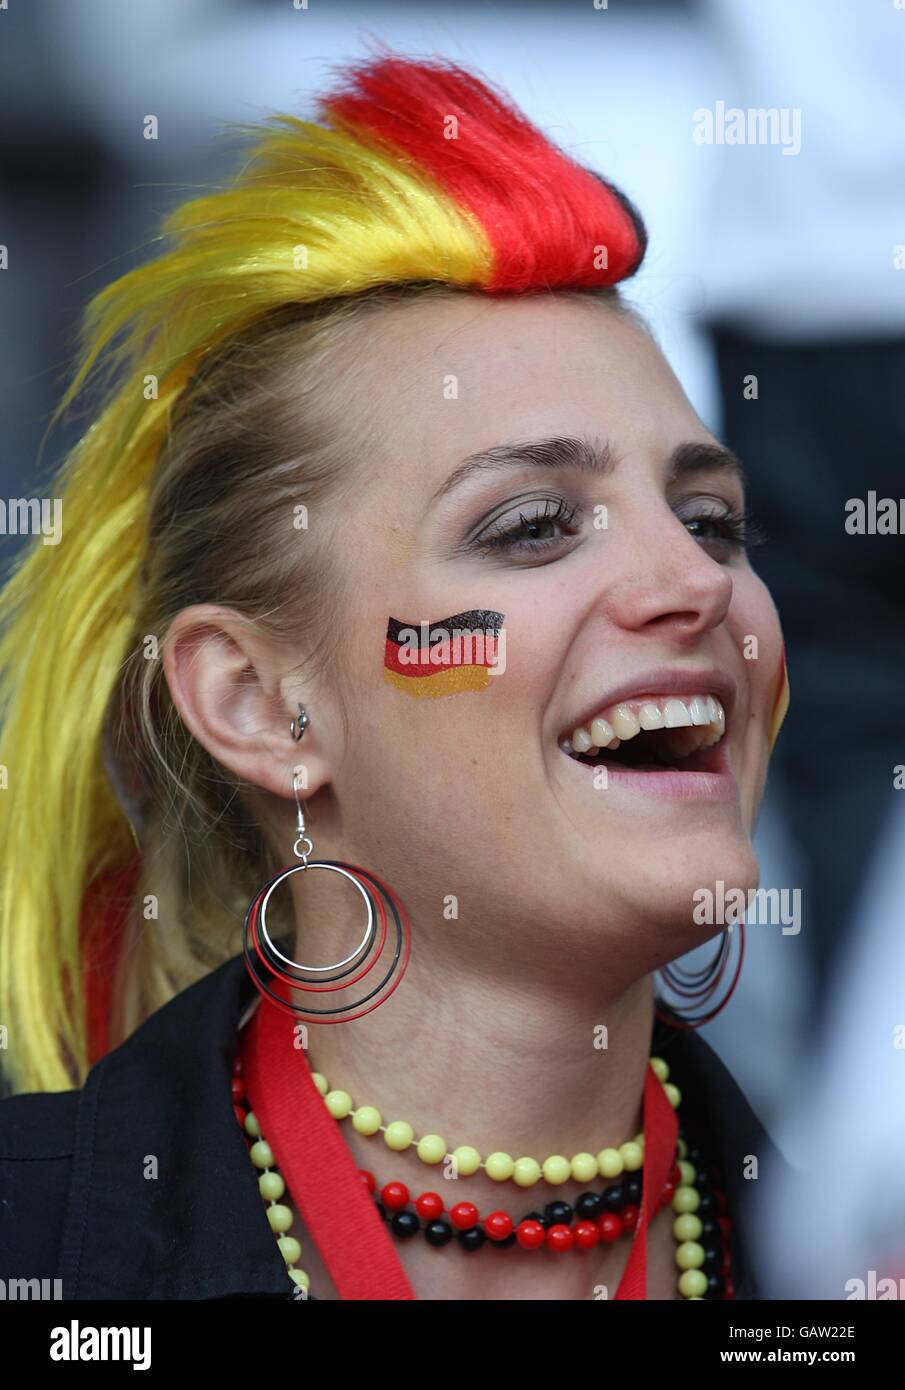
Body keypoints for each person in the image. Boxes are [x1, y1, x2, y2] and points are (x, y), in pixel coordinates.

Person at [0, 47, 793, 1302]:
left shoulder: (844, 1254)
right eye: (531, 524)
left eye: (709, 520)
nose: (694, 585)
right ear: (259, 704)